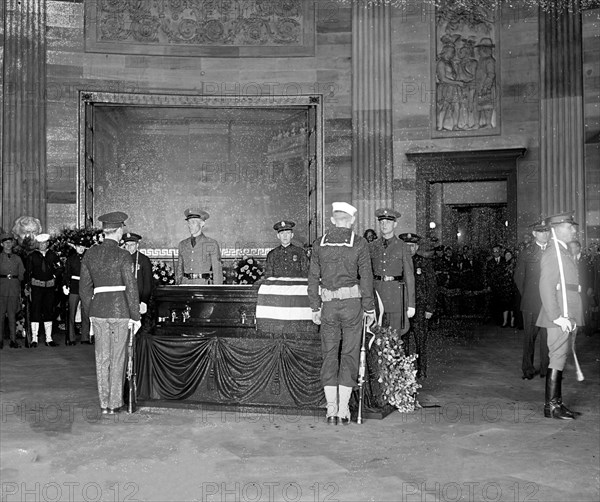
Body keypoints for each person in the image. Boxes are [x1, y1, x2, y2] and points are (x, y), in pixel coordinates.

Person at [307, 202, 376, 426]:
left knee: (329, 354)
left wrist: (315, 306)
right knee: (349, 353)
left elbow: (312, 279)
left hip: (327, 306)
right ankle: (344, 408)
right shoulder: (359, 243)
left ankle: (331, 409)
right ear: (352, 220)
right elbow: (366, 278)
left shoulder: (319, 244)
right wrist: (370, 308)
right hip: (352, 306)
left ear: (333, 220)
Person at [80, 212, 141, 414]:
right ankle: (115, 404)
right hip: (120, 311)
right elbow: (131, 288)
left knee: (101, 358)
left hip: (98, 311)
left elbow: (84, 289)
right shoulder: (123, 255)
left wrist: (90, 312)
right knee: (118, 358)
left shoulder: (90, 253)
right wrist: (135, 316)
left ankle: (104, 404)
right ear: (118, 230)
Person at [536, 211, 583, 420]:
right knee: (557, 357)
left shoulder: (562, 251)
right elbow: (545, 286)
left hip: (567, 311)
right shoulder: (553, 252)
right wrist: (557, 316)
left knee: (560, 357)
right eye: (569, 226)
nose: (574, 230)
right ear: (556, 229)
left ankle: (556, 404)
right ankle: (552, 406)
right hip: (559, 314)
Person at [256, 221, 312, 334]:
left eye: (287, 233)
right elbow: (268, 277)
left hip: (296, 297)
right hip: (279, 299)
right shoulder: (272, 254)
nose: (285, 236)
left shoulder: (300, 253)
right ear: (278, 236)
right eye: (282, 234)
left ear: (292, 235)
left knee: (295, 325)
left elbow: (306, 275)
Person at [369, 208, 415, 342]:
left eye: (388, 222)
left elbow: (409, 277)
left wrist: (411, 304)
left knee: (395, 339)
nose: (384, 225)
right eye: (381, 222)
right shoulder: (372, 247)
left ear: (395, 224)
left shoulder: (402, 247)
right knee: (376, 339)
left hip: (396, 299)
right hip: (376, 297)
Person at [514, 220, 550, 380]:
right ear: (535, 234)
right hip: (531, 302)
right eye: (541, 231)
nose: (545, 234)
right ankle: (527, 369)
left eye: (547, 231)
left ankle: (546, 369)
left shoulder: (553, 251)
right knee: (529, 338)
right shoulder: (526, 253)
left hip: (549, 303)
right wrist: (529, 295)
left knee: (547, 338)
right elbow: (518, 277)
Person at [399, 233, 436, 378]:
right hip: (403, 307)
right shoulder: (399, 262)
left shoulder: (424, 263)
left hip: (420, 308)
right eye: (406, 246)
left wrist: (430, 308)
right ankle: (406, 371)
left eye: (412, 246)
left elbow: (432, 286)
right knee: (404, 341)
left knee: (421, 341)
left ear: (417, 247)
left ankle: (421, 370)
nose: (409, 249)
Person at [25, 233, 61, 347]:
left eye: (44, 243)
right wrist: (27, 286)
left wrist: (54, 277)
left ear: (48, 244)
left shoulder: (53, 255)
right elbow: (27, 272)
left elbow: (59, 268)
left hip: (49, 288)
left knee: (48, 311)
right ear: (37, 244)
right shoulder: (32, 256)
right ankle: (34, 339)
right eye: (40, 244)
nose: (42, 245)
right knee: (35, 311)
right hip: (36, 288)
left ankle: (48, 338)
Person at [176, 208, 223, 285]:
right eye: (189, 222)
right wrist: (178, 287)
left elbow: (217, 271)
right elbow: (179, 270)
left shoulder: (211, 243)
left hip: (203, 286)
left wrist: (216, 292)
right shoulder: (182, 244)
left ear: (202, 224)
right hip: (185, 286)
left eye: (193, 222)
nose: (190, 225)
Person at [63, 235, 92, 346]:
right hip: (74, 287)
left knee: (86, 313)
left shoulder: (89, 259)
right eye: (79, 246)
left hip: (86, 286)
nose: (81, 248)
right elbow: (67, 273)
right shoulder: (71, 259)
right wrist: (65, 285)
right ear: (75, 247)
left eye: (82, 246)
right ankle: (71, 338)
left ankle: (85, 337)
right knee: (71, 312)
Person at [0, 233, 25, 349]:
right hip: (2, 288)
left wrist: (20, 286)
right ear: (1, 244)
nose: (8, 244)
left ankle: (13, 340)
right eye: (5, 242)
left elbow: (21, 274)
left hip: (14, 289)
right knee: (0, 316)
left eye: (10, 242)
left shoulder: (17, 258)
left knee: (12, 316)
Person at [122, 232, 154, 321]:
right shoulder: (120, 259)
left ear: (137, 245)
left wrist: (144, 301)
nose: (129, 247)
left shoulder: (143, 260)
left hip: (138, 300)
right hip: (123, 300)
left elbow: (147, 283)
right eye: (126, 245)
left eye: (132, 245)